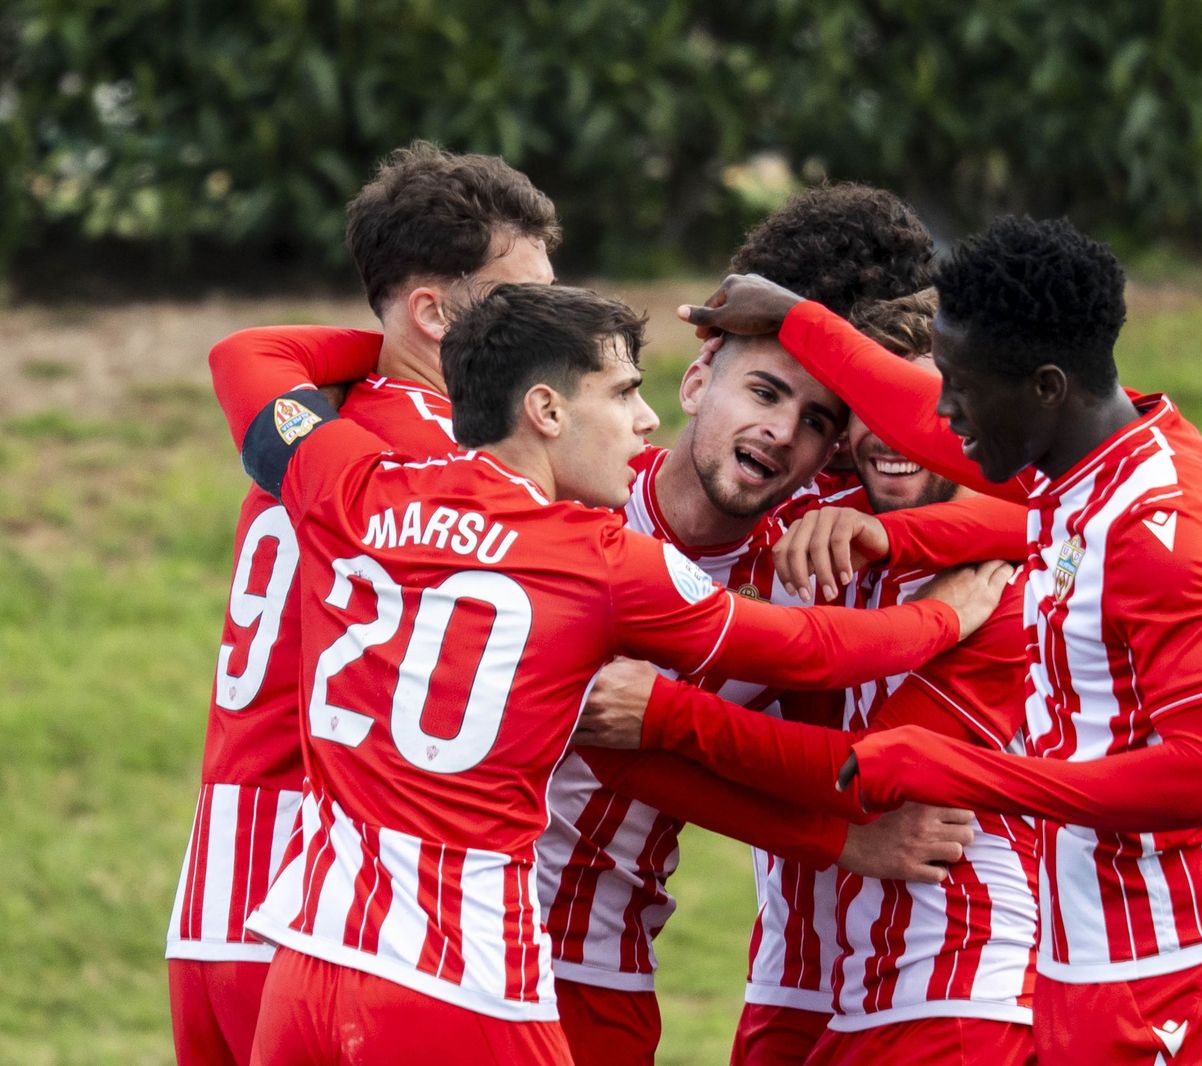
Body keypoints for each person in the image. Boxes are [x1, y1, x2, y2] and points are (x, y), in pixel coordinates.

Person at [208, 281, 1008, 1065]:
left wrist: (433, 348)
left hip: (326, 953)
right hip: (473, 967)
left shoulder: (367, 484)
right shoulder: (598, 554)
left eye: (818, 421)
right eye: (626, 392)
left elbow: (248, 359)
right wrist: (943, 616)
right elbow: (809, 649)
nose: (644, 415)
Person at [678, 215, 1202, 1064]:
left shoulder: (1162, 532)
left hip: (1176, 951)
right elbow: (913, 420)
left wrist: (960, 770)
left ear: (1045, 388)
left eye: (961, 386)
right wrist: (796, 319)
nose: (942, 410)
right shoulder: (1089, 471)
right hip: (1099, 945)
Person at [537, 183, 1016, 1066]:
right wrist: (844, 839)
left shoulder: (818, 546)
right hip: (462, 938)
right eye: (762, 390)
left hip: (607, 966)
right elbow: (610, 741)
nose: (779, 430)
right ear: (696, 378)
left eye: (819, 419)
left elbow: (1048, 508)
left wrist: (909, 543)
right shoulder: (569, 502)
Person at [165, 141, 558, 1066]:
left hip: (214, 896)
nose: (552, 325)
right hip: (314, 909)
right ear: (433, 311)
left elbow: (251, 353)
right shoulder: (439, 464)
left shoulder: (323, 422)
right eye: (525, 302)